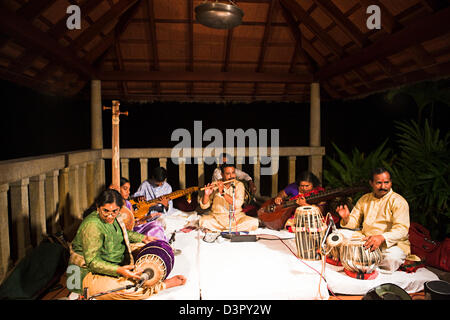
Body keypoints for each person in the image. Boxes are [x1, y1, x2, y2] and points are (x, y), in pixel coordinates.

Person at [68, 189, 186, 300]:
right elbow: (93, 262)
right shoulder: (92, 226)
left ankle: (148, 278)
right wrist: (119, 270)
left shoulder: (116, 216)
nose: (110, 216)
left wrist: (144, 238)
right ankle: (162, 285)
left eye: (114, 211)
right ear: (98, 208)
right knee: (131, 288)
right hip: (84, 275)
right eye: (105, 211)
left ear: (119, 209)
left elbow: (122, 233)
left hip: (110, 260)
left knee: (148, 249)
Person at [335, 167, 412, 273]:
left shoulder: (398, 201)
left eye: (386, 182)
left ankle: (362, 262)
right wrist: (346, 218)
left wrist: (381, 237)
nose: (383, 186)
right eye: (379, 183)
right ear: (371, 183)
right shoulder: (365, 199)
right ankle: (364, 260)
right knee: (338, 235)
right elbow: (354, 223)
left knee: (393, 258)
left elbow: (402, 231)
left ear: (391, 182)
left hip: (390, 245)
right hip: (366, 239)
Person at [199, 163, 259, 232]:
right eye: (228, 174)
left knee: (253, 222)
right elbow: (204, 206)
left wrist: (223, 193)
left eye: (233, 173)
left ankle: (220, 230)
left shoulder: (239, 185)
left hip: (236, 217)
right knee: (204, 220)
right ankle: (230, 230)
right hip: (217, 217)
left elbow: (237, 204)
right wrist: (206, 195)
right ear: (222, 174)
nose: (231, 176)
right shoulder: (215, 184)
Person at [131, 167, 174, 241]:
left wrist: (166, 205)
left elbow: (169, 209)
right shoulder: (145, 184)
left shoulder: (167, 187)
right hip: (146, 215)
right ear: (153, 178)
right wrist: (139, 198)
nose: (160, 184)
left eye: (162, 182)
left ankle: (163, 240)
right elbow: (135, 199)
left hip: (160, 215)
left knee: (166, 224)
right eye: (158, 182)